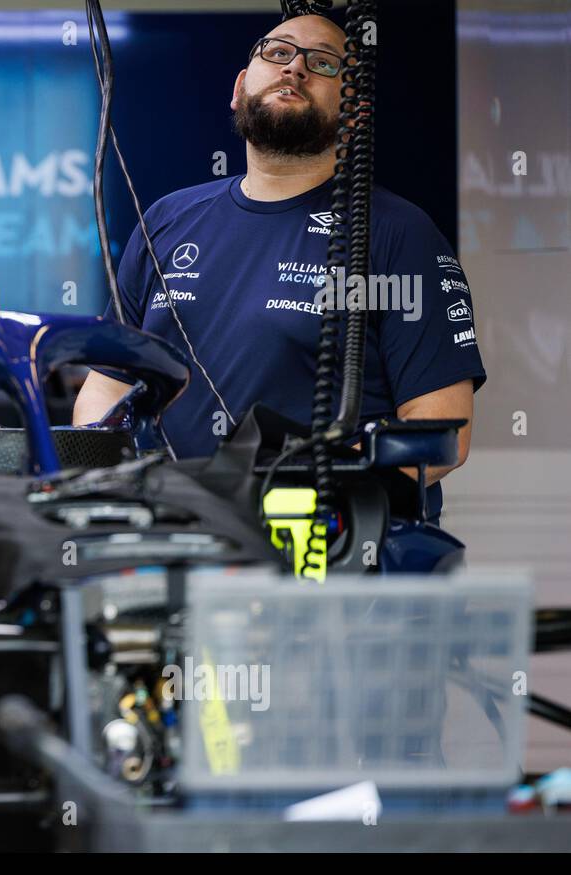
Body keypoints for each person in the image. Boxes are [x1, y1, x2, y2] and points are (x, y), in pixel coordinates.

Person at [74, 13, 485, 521]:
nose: (295, 68)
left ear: (354, 111)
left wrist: (313, 500)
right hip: (176, 541)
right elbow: (106, 389)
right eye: (278, 52)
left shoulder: (399, 234)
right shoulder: (164, 219)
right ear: (240, 86)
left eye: (323, 63)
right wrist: (113, 492)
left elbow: (444, 431)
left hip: (328, 554)